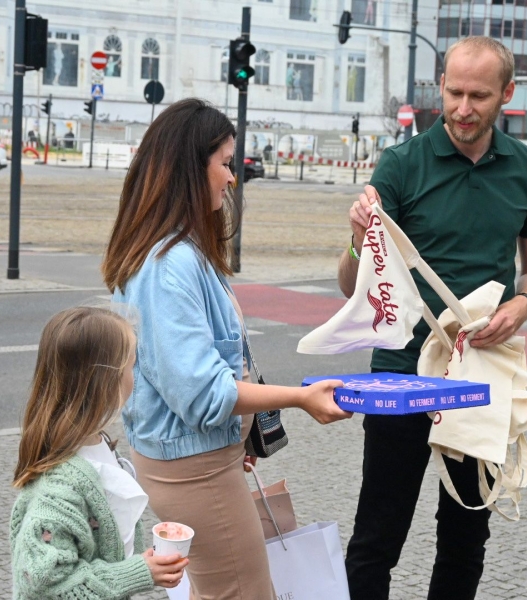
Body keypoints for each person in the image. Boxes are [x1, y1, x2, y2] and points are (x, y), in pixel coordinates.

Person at [102, 97, 351, 599]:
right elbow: (203, 394)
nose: (232, 178)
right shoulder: (169, 265)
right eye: (225, 162)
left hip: (201, 463)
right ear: (191, 168)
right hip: (195, 472)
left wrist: (237, 438)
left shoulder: (177, 251)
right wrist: (300, 398)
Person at [338, 36, 527, 600]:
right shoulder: (401, 164)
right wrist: (359, 240)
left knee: (465, 538)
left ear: (507, 93)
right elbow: (353, 287)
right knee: (377, 537)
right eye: (454, 92)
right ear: (441, 87)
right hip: (402, 371)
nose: (462, 108)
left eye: (478, 96)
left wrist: (522, 305)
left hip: (480, 372)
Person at [10, 306, 188, 599]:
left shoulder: (97, 442)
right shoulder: (60, 487)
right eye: (131, 366)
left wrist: (137, 563)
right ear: (106, 381)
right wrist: (136, 572)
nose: (135, 375)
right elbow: (46, 582)